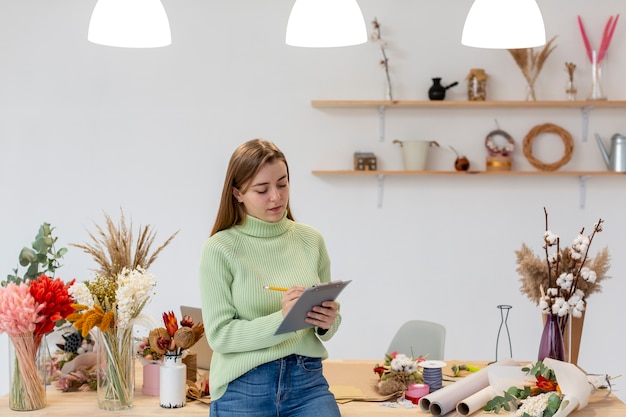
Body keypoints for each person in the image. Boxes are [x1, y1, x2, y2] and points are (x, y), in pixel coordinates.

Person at [198, 139, 342, 417]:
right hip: (243, 385)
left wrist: (327, 321)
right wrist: (283, 320)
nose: (276, 197)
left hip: (307, 382)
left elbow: (329, 328)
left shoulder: (311, 240)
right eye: (262, 189)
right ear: (238, 193)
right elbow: (219, 336)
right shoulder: (219, 248)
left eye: (283, 184)